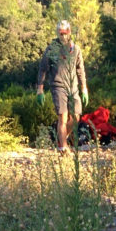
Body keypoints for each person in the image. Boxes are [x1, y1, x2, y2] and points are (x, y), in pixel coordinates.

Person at [35, 20, 88, 154]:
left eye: (65, 33)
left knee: (76, 116)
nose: (63, 36)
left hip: (73, 86)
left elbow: (80, 70)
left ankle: (63, 137)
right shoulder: (52, 49)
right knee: (62, 117)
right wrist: (40, 89)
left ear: (69, 32)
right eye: (60, 33)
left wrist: (84, 88)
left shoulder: (75, 49)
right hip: (58, 86)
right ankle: (63, 147)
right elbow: (43, 69)